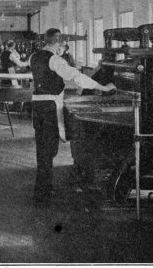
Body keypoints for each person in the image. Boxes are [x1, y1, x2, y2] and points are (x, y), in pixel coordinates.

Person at [30, 28, 116, 204]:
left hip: (38, 106)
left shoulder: (34, 57)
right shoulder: (55, 59)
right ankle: (42, 193)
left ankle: (43, 188)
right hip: (50, 107)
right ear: (59, 43)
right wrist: (104, 88)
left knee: (43, 149)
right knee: (49, 149)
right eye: (62, 43)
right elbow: (77, 77)